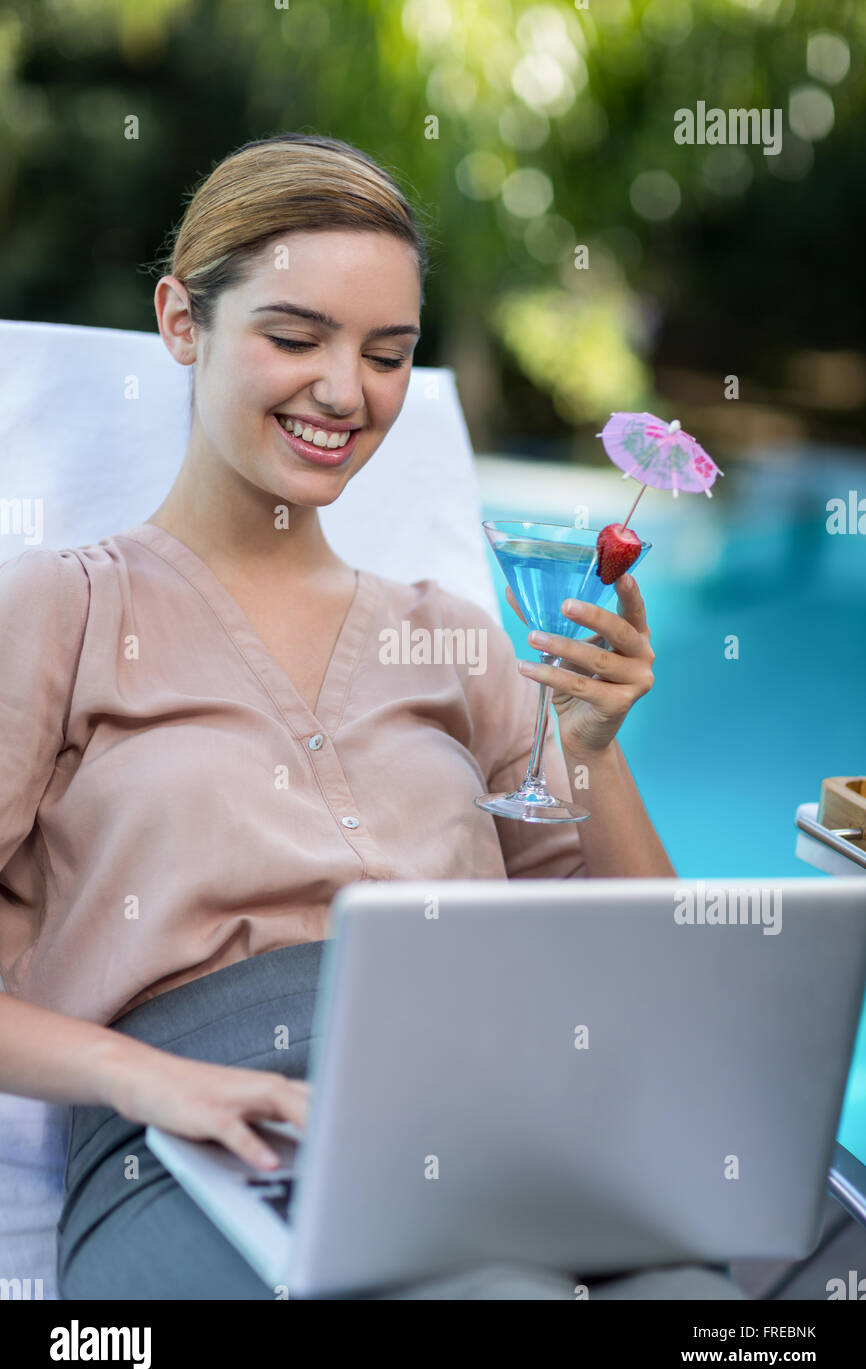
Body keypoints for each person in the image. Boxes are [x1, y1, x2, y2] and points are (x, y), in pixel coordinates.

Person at [0, 131, 738, 1300]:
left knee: (710, 1312)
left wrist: (592, 756)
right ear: (182, 324)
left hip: (500, 1103)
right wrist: (146, 1079)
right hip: (203, 1139)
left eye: (386, 355)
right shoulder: (68, 609)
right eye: (294, 338)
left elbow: (657, 974)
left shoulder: (449, 634)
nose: (344, 392)